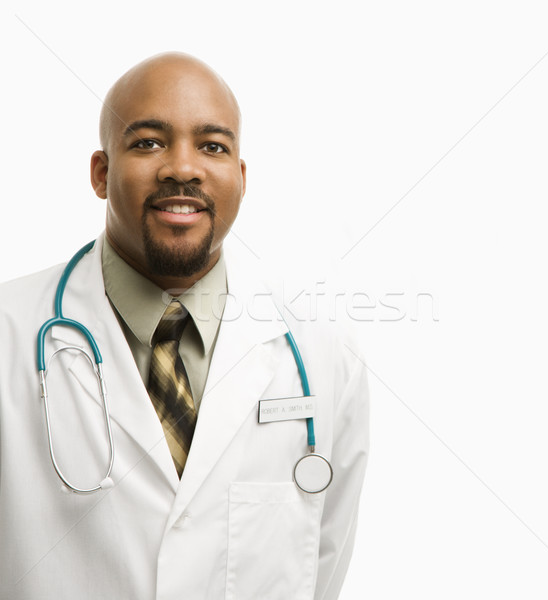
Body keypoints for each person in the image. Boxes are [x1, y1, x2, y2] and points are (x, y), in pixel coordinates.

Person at [0, 52, 369, 599]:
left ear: (240, 178)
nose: (182, 167)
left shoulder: (322, 351)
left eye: (213, 146)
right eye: (148, 141)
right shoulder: (9, 332)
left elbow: (325, 560)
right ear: (101, 173)